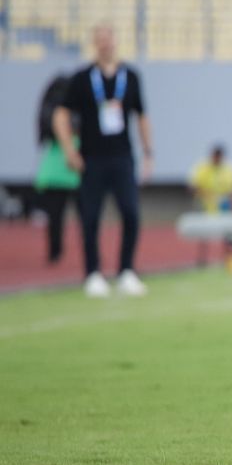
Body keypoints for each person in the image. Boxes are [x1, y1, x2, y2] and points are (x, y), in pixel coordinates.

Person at [53, 23, 154, 297]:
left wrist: (148, 153)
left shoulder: (130, 76)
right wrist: (69, 150)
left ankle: (126, 271)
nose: (105, 44)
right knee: (90, 218)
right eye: (100, 39)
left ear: (115, 41)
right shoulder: (83, 78)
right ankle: (93, 273)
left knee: (131, 214)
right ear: (95, 43)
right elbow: (60, 115)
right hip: (92, 159)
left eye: (109, 38)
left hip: (122, 157)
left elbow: (141, 115)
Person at [33, 74, 80, 265]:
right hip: (65, 171)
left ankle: (57, 253)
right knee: (58, 215)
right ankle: (56, 253)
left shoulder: (53, 109)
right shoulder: (59, 112)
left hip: (69, 171)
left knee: (63, 216)